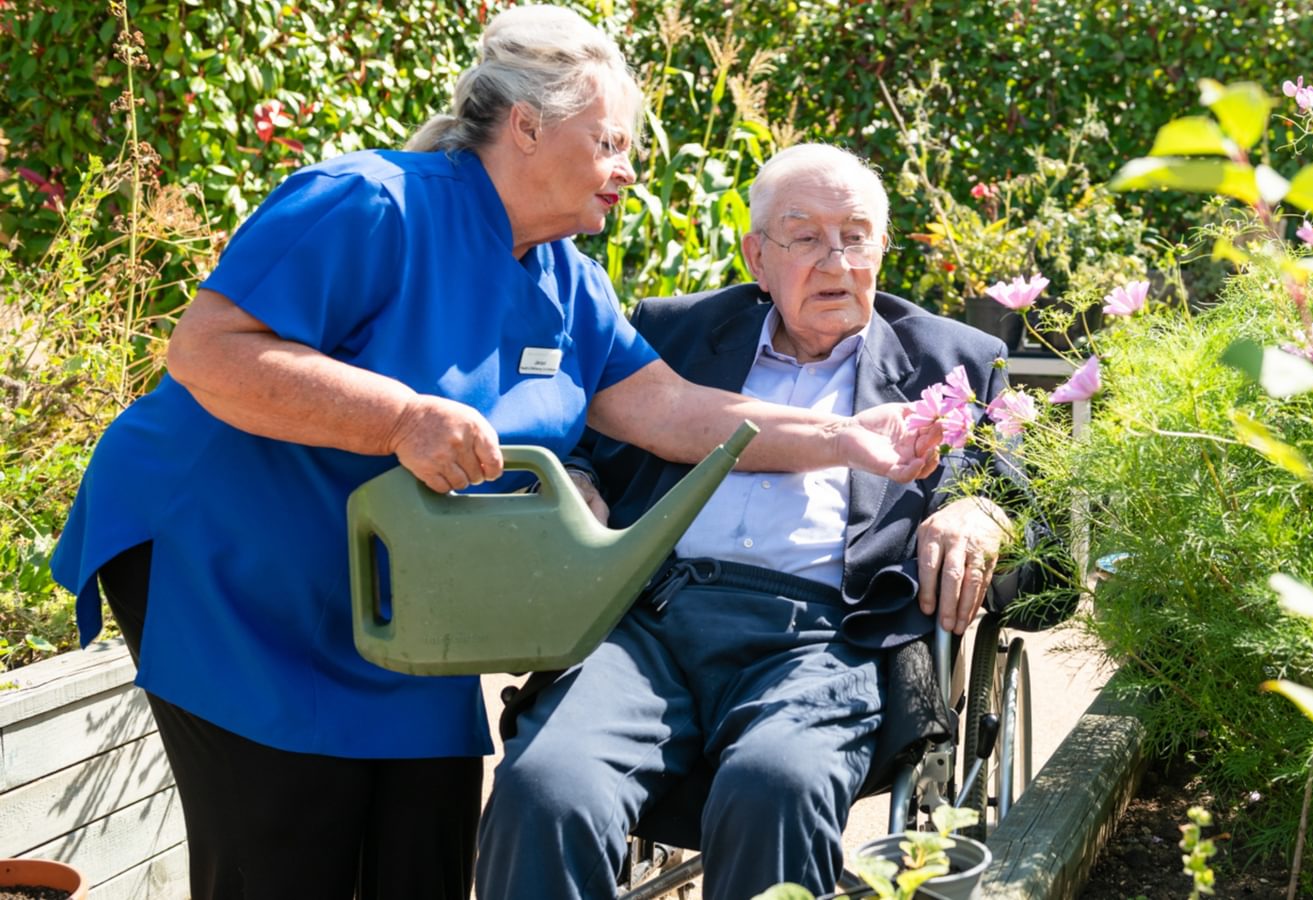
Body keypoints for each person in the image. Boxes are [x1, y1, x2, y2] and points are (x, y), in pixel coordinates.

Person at [47, 12, 936, 900]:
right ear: (527, 127)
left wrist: (846, 439)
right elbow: (207, 352)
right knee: (286, 854)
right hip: (233, 563)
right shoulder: (371, 203)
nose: (629, 169)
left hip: (401, 595)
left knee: (426, 857)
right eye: (612, 142)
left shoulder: (566, 279)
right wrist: (400, 416)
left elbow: (671, 411)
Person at [477, 143, 1039, 900]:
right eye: (804, 236)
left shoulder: (955, 360)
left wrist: (983, 512)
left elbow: (1031, 515)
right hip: (651, 622)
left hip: (825, 637)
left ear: (882, 248)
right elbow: (579, 436)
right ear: (757, 256)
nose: (835, 260)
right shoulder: (672, 335)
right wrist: (576, 477)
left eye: (856, 235)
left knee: (775, 784)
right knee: (547, 786)